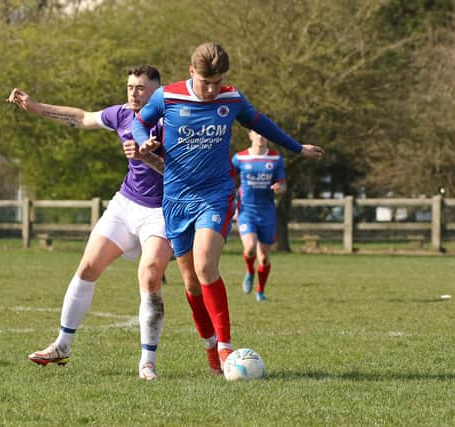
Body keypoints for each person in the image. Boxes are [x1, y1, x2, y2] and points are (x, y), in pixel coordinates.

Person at [132, 42, 325, 373]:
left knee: (207, 265)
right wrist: (144, 140)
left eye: (218, 82)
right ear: (192, 72)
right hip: (176, 198)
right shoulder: (168, 96)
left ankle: (225, 347)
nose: (211, 90)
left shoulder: (232, 99)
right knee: (191, 283)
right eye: (206, 82)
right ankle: (210, 348)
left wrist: (295, 147)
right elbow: (140, 121)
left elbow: (262, 123)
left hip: (216, 194)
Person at [6, 65, 172, 381]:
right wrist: (35, 107)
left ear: (157, 92)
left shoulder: (175, 122)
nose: (133, 93)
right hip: (126, 204)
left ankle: (147, 362)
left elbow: (183, 178)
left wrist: (148, 156)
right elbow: (83, 117)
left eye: (140, 88)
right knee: (87, 267)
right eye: (129, 87)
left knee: (150, 276)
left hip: (162, 211)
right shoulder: (123, 115)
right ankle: (62, 345)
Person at [232, 130, 286, 302]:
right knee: (249, 247)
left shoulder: (276, 159)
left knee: (263, 257)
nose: (261, 137)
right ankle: (249, 271)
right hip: (246, 211)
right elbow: (227, 179)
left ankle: (260, 291)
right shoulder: (239, 158)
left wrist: (279, 188)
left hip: (267, 212)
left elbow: (283, 185)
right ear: (250, 135)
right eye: (258, 134)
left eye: (264, 134)